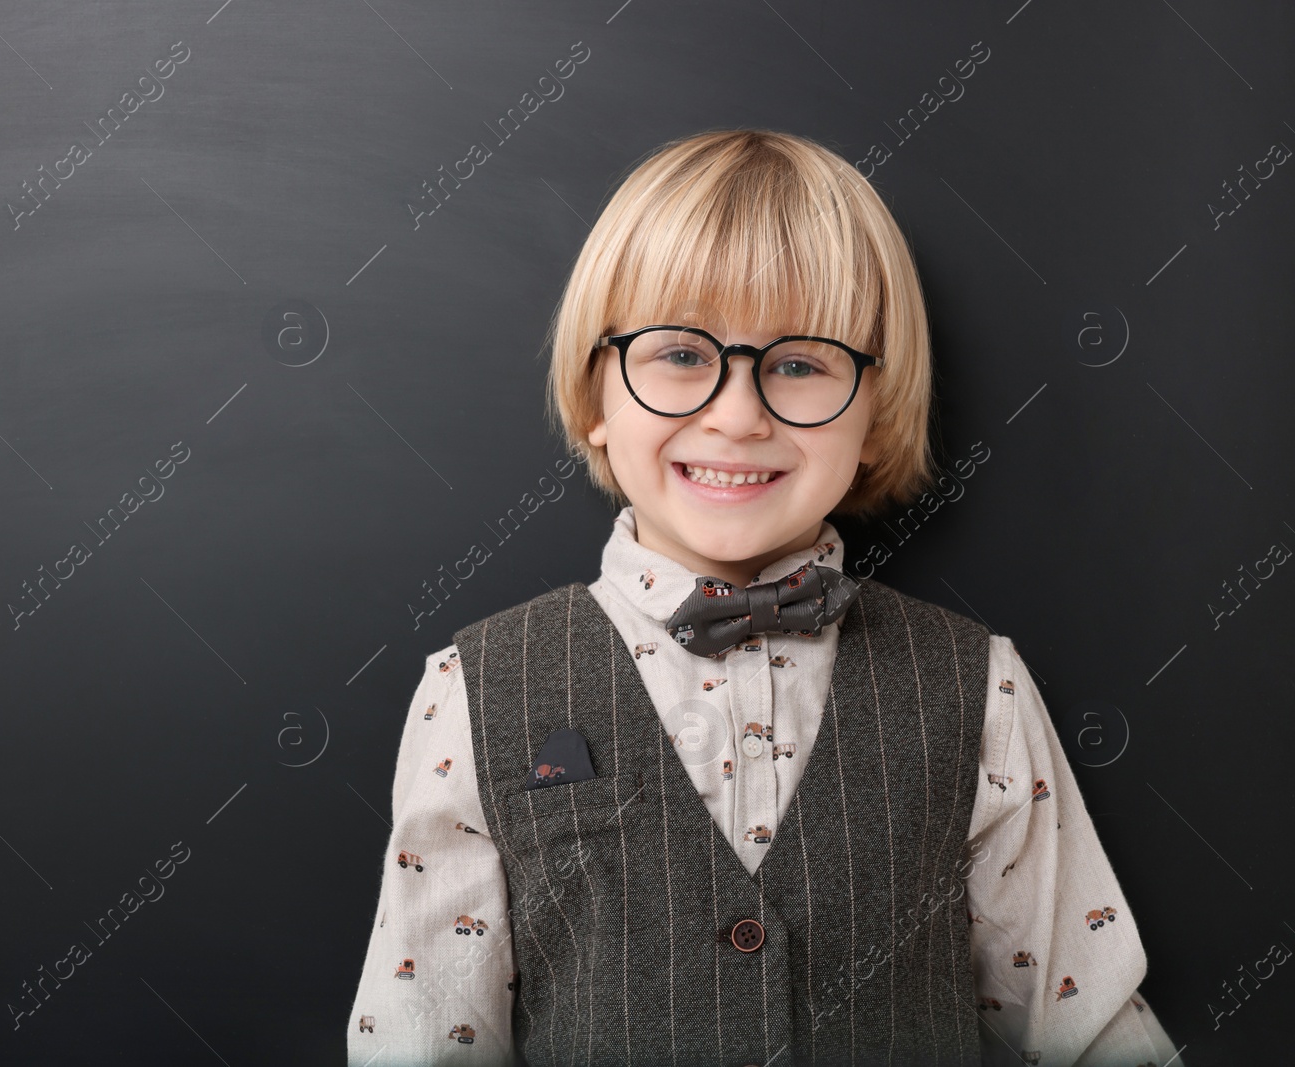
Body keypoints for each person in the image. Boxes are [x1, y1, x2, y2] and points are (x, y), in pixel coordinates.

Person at [347, 128, 1183, 1066]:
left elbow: (1090, 1025)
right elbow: (421, 1043)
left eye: (798, 363)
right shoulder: (473, 687)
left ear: (876, 410)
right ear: (597, 393)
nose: (738, 414)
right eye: (678, 355)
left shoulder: (976, 686)